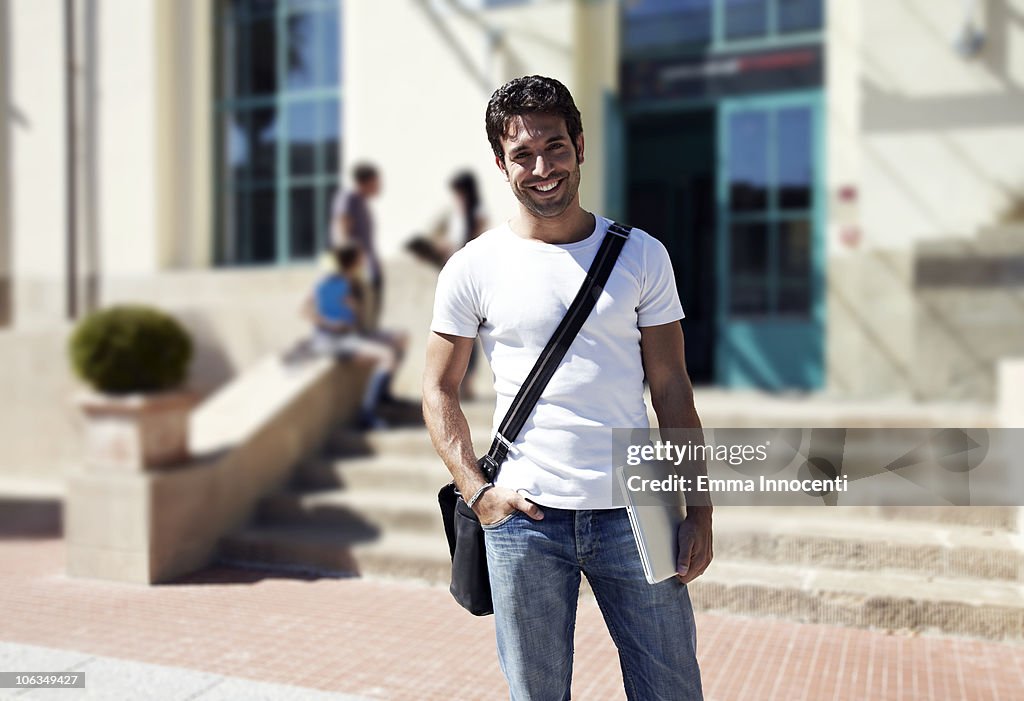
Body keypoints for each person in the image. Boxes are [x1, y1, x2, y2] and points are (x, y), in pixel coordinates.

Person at [422, 76, 712, 700]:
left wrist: (699, 509)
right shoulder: (473, 266)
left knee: (673, 690)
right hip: (525, 519)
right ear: (501, 164)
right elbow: (438, 388)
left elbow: (671, 388)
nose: (541, 167)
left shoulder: (641, 256)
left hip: (639, 509)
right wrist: (477, 492)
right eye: (522, 154)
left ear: (581, 146)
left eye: (554, 146)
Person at [304, 242, 407, 430]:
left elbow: (357, 322)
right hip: (333, 340)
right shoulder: (329, 283)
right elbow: (306, 310)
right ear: (351, 262)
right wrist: (330, 323)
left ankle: (383, 394)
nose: (363, 262)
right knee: (387, 356)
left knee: (401, 338)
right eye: (360, 259)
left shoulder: (353, 283)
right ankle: (367, 413)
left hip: (352, 336)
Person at [331, 162, 383, 331]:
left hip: (369, 267)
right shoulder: (349, 198)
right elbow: (342, 231)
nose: (379, 186)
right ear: (366, 182)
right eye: (376, 181)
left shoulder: (360, 201)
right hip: (359, 270)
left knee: (370, 319)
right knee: (360, 319)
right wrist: (348, 268)